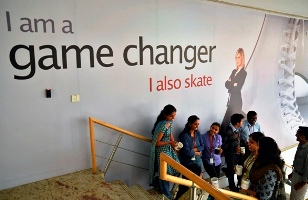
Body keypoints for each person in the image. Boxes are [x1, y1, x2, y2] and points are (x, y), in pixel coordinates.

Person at [149, 104, 180, 200]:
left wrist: (174, 145)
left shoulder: (169, 122)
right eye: (171, 116)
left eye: (174, 116)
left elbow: (171, 135)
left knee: (177, 168)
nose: (173, 118)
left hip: (168, 149)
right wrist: (170, 142)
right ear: (165, 115)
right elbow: (157, 143)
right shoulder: (162, 125)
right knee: (165, 171)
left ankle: (159, 185)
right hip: (162, 151)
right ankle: (166, 194)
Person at [221, 48, 247, 130]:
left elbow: (238, 88)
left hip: (236, 100)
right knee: (227, 122)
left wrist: (231, 83)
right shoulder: (233, 71)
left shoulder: (243, 73)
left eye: (239, 57)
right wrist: (233, 84)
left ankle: (247, 120)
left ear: (242, 58)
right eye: (236, 57)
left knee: (231, 123)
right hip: (231, 98)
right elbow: (226, 84)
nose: (237, 59)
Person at [221, 113, 245, 192]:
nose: (242, 123)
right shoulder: (227, 130)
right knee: (231, 171)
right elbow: (223, 144)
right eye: (242, 121)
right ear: (237, 122)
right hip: (230, 155)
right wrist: (234, 148)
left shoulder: (237, 129)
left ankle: (239, 184)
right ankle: (232, 187)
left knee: (240, 170)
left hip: (238, 154)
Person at [201, 122, 223, 200]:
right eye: (212, 128)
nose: (213, 130)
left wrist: (220, 151)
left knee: (215, 178)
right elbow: (200, 148)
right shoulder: (202, 137)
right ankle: (213, 195)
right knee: (214, 178)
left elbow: (220, 147)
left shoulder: (219, 137)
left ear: (218, 131)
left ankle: (211, 195)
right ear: (210, 127)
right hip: (207, 160)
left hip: (217, 160)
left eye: (216, 130)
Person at [288, 126, 308, 200]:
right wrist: (293, 173)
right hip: (296, 175)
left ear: (303, 137)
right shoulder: (301, 145)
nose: (296, 135)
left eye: (297, 134)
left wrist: (301, 184)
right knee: (293, 197)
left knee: (297, 198)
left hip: (301, 179)